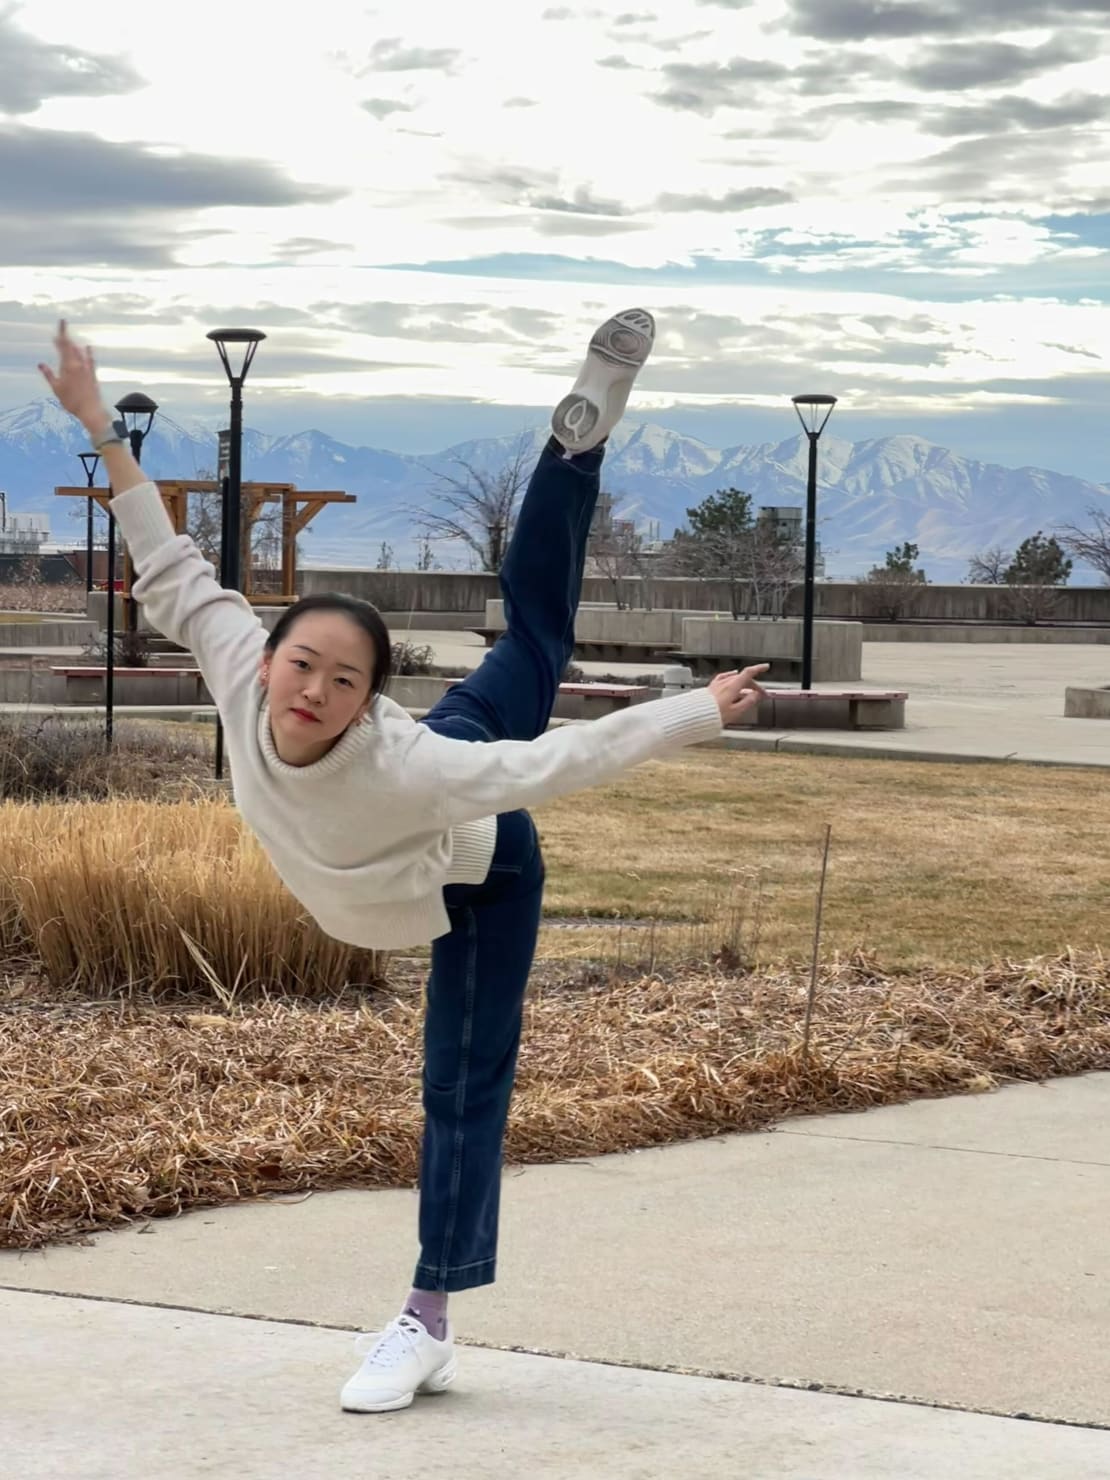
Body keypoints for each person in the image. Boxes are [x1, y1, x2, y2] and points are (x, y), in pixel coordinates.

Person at [40, 311, 768, 1413]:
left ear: (371, 698)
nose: (313, 692)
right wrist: (99, 422)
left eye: (344, 681)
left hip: (475, 869)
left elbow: (562, 760)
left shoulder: (407, 765)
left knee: (460, 1082)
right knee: (528, 644)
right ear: (270, 653)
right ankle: (576, 449)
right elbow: (166, 555)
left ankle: (426, 1315)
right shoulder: (241, 663)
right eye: (304, 664)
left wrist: (696, 711)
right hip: (437, 785)